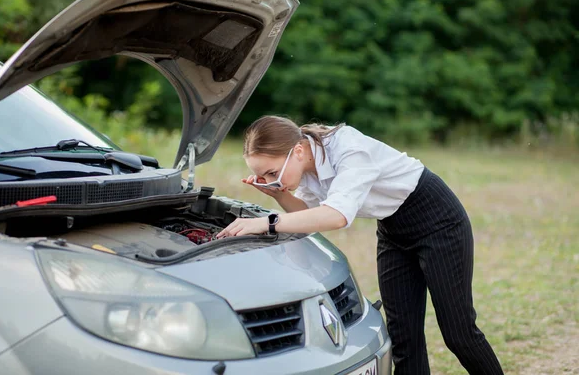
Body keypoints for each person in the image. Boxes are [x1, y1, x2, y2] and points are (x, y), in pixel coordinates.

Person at [216, 115, 504, 375]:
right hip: (393, 229)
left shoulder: (349, 149)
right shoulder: (305, 168)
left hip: (437, 219)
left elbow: (337, 216)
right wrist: (277, 194)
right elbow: (308, 213)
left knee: (458, 333)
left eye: (271, 172)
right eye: (263, 176)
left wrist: (266, 221)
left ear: (298, 151)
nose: (268, 180)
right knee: (403, 338)